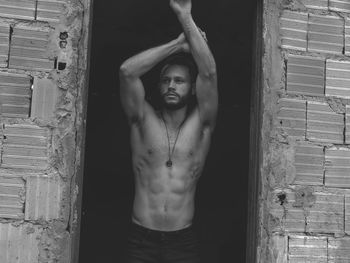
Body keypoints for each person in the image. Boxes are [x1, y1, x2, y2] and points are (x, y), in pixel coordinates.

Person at [119, 0, 217, 262]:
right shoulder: (142, 119)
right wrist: (177, 45)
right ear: (159, 86)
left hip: (182, 242)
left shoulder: (201, 124)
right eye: (166, 80)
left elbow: (208, 73)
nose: (171, 86)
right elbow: (127, 72)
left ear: (192, 88)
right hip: (140, 239)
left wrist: (185, 17)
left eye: (180, 81)